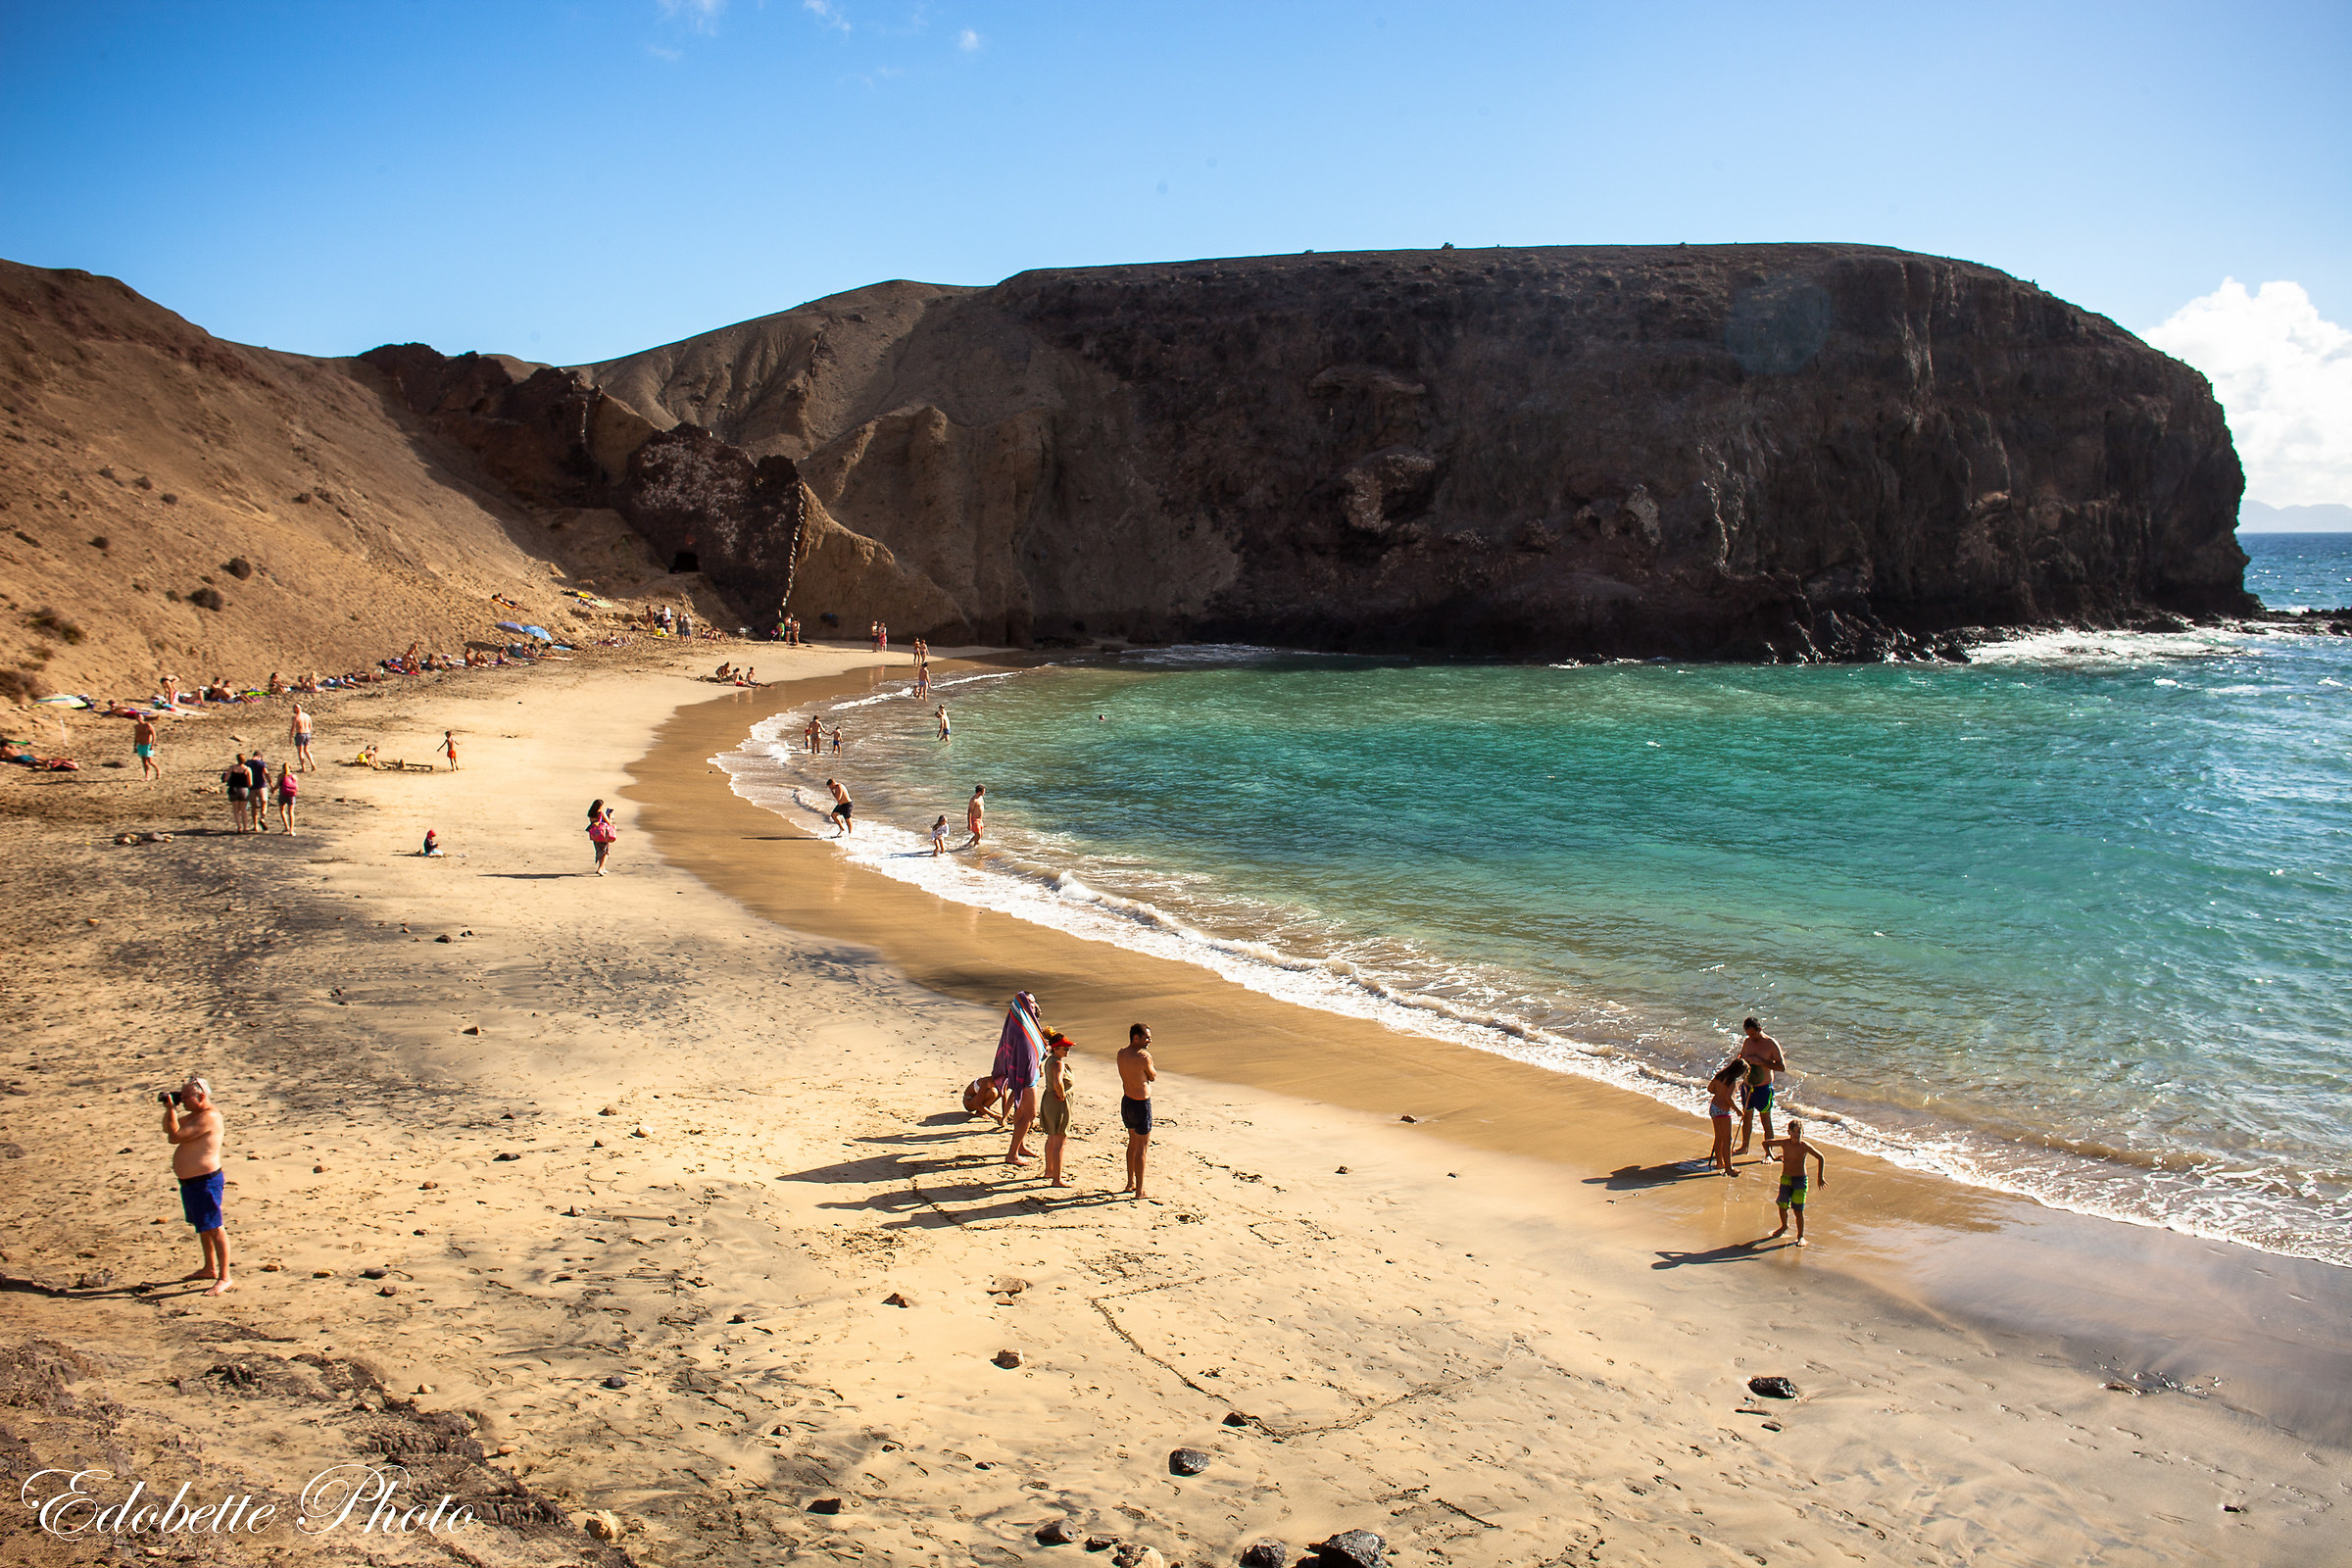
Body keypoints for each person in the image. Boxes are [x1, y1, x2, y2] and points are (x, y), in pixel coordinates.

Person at [161, 1077, 230, 1295]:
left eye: (185, 1097)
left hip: (206, 1180)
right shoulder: (195, 1115)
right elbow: (168, 1128)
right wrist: (170, 1110)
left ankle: (225, 1277)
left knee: (215, 1227)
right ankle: (209, 1268)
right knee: (203, 1226)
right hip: (191, 1181)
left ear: (201, 1097)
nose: (182, 1100)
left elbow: (175, 1137)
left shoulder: (209, 1117)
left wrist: (172, 1109)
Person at [993, 992, 1045, 1164]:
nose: (1034, 1005)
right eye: (1030, 1002)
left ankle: (1020, 1146)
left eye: (1034, 1002)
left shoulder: (1027, 1025)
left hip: (1028, 1075)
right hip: (1025, 1077)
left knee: (1021, 1113)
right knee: (1030, 1114)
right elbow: (1024, 1052)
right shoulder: (1020, 1028)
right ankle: (1012, 1154)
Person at [1762, 1119, 1827, 1244]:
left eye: (1799, 1132)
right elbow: (1765, 1143)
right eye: (1794, 1132)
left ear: (1803, 1133)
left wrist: (1820, 1177)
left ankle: (1800, 1236)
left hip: (1800, 1180)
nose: (1796, 1135)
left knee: (1798, 1210)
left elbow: (1820, 1157)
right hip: (1786, 1178)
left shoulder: (1804, 1146)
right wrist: (1772, 1156)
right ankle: (1784, 1226)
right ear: (1788, 1132)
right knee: (1782, 1206)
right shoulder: (1785, 1143)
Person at [1732, 1017, 1788, 1156]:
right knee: (1747, 1119)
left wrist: (1761, 1062)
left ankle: (1769, 1153)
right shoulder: (1747, 1042)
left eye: (1754, 1035)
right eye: (1749, 1035)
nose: (1752, 1038)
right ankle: (1744, 1147)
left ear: (1760, 1029)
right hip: (1747, 1086)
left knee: (1765, 1121)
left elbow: (1782, 1067)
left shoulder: (1771, 1043)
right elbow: (1742, 1059)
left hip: (1763, 1088)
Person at [1117, 1024, 1156, 1199]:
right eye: (1146, 1038)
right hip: (1140, 1103)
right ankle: (1139, 1190)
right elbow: (1152, 1076)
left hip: (1127, 1101)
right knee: (1141, 1146)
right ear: (1136, 1038)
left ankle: (1130, 1183)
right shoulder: (1143, 1057)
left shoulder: (1121, 1054)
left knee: (1132, 1142)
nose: (1149, 1041)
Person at [1040, 1032, 1075, 1188]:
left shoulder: (1050, 1061)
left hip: (1048, 1099)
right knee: (1059, 1139)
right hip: (1057, 1102)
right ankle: (1057, 1178)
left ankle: (1049, 1171)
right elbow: (1057, 1082)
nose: (1068, 1050)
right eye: (1065, 1048)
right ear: (1056, 1048)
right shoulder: (1058, 1064)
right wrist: (1062, 1095)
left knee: (1051, 1137)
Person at [1704, 1059, 1743, 1177]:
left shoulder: (1720, 1076)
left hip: (1714, 1107)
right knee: (1727, 1140)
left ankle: (1720, 1163)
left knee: (1719, 1137)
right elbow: (1728, 1098)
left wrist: (1719, 1091)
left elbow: (1710, 1089)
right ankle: (1728, 1168)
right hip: (1723, 1111)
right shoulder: (1732, 1081)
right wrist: (1737, 1110)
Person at [223, 754, 252, 833]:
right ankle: (245, 828)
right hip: (243, 789)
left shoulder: (232, 768)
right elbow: (250, 783)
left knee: (236, 810)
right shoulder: (247, 769)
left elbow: (225, 779)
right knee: (244, 810)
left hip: (233, 789)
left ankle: (239, 827)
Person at [587, 801, 617, 874]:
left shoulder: (591, 814)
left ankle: (602, 867)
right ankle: (600, 868)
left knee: (599, 850)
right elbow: (609, 823)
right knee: (605, 852)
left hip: (595, 834)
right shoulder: (600, 813)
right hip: (602, 834)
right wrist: (610, 815)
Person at [243, 752, 270, 833]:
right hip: (261, 786)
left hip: (251, 787)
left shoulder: (247, 763)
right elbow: (266, 774)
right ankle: (262, 817)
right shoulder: (262, 763)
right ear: (259, 757)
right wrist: (271, 784)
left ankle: (255, 826)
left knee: (253, 807)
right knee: (264, 803)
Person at [274, 761, 299, 834]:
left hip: (283, 794)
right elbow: (296, 786)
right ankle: (291, 830)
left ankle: (286, 826)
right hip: (291, 795)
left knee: (282, 810)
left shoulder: (281, 776)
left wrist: (272, 789)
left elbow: (277, 785)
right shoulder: (294, 776)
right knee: (291, 812)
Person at [132, 714, 159, 781]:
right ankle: (147, 776)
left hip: (147, 744)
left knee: (150, 761)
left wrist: (152, 744)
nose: (138, 719)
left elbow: (153, 735)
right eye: (137, 717)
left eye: (139, 717)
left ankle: (157, 771)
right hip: (141, 745)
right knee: (144, 762)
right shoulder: (137, 727)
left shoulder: (147, 725)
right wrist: (135, 745)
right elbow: (136, 736)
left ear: (143, 718)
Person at [289, 704, 315, 771]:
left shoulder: (296, 717)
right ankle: (312, 764)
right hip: (307, 733)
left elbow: (293, 728)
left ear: (296, 709)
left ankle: (303, 767)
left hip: (300, 734)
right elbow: (310, 726)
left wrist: (290, 737)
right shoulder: (307, 716)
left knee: (300, 751)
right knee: (307, 750)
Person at [963, 784, 985, 849]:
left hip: (980, 819)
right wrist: (969, 823)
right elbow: (969, 812)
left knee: (980, 835)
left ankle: (969, 843)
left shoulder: (981, 798)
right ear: (979, 792)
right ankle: (975, 847)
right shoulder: (973, 800)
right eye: (983, 791)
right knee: (978, 835)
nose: (984, 792)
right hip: (975, 819)